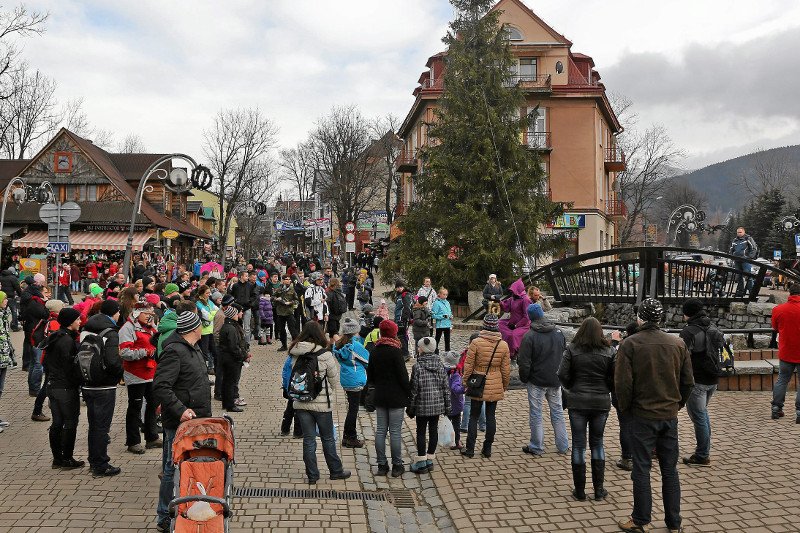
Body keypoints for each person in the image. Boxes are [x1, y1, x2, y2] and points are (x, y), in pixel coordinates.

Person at [615, 298, 694, 533]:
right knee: (670, 470)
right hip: (669, 415)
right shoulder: (677, 344)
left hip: (642, 414)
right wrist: (677, 404)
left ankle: (640, 519)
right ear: (660, 318)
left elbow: (623, 384)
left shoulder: (630, 344)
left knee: (641, 467)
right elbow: (688, 381)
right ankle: (674, 522)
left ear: (640, 318)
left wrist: (626, 409)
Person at [152, 311, 211, 532]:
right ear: (194, 328)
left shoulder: (192, 348)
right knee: (171, 467)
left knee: (191, 465)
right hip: (179, 421)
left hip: (197, 418)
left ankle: (189, 505)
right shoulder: (175, 351)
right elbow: (161, 385)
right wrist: (180, 410)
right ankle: (164, 516)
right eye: (201, 325)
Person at [558, 317, 615, 501]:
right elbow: (615, 377)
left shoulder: (572, 350)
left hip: (578, 401)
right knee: (597, 443)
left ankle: (580, 491)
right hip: (600, 401)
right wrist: (606, 387)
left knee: (579, 445)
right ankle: (599, 490)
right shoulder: (609, 351)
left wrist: (572, 386)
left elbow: (562, 374)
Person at [289, 321, 350, 484]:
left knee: (309, 439)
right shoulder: (325, 354)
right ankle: (336, 471)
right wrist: (327, 390)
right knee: (327, 438)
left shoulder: (295, 351)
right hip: (322, 404)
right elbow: (334, 379)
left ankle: (312, 475)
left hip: (301, 401)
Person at [518, 303, 569, 457]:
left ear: (530, 318)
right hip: (555, 379)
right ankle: (563, 446)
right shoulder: (559, 332)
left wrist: (524, 378)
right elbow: (563, 354)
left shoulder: (529, 336)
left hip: (536, 380)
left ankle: (536, 446)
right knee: (558, 413)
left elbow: (524, 362)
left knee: (536, 413)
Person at [81, 299, 124, 477]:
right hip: (104, 385)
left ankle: (94, 459)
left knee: (93, 425)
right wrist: (120, 373)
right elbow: (114, 361)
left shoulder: (86, 327)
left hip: (87, 381)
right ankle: (100, 464)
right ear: (114, 313)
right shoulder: (111, 333)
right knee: (102, 426)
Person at [678, 298, 722, 466]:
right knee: (702, 415)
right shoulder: (712, 326)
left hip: (697, 380)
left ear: (687, 313)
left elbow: (683, 358)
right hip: (713, 378)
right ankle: (704, 450)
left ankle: (702, 455)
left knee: (699, 417)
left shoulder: (689, 332)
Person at [461, 314, 510, 459]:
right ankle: (487, 448)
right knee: (491, 416)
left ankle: (470, 449)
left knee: (473, 416)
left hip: (478, 381)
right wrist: (504, 385)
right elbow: (506, 369)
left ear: (484, 325)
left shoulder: (476, 343)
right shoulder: (503, 345)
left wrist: (465, 382)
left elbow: (468, 366)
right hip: (495, 382)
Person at [41, 307, 84, 469]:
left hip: (53, 385)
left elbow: (46, 362)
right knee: (69, 423)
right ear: (70, 322)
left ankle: (57, 459)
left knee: (57, 423)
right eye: (78, 319)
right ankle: (67, 458)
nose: (80, 322)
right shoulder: (66, 341)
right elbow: (70, 366)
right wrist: (78, 381)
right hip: (65, 387)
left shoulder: (55, 337)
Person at [367, 319, 411, 477]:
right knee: (395, 432)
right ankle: (397, 466)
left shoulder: (375, 351)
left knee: (380, 431)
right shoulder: (395, 351)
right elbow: (403, 377)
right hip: (396, 397)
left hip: (380, 395)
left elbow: (370, 376)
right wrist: (409, 393)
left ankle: (381, 465)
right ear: (393, 333)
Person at [119, 303, 161, 454]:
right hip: (136, 374)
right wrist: (145, 352)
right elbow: (124, 352)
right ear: (137, 314)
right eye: (146, 313)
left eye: (151, 313)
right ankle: (133, 441)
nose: (150, 316)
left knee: (153, 404)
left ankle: (152, 437)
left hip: (151, 372)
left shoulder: (151, 326)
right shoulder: (127, 328)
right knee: (135, 408)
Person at [408, 337, 450, 473]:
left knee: (420, 432)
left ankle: (421, 463)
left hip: (422, 405)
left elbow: (414, 390)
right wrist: (448, 406)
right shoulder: (440, 366)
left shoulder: (417, 367)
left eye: (419, 347)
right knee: (433, 431)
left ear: (422, 350)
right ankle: (430, 460)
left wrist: (411, 408)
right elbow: (446, 388)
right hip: (437, 405)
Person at [332, 317, 369, 448]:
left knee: (352, 409)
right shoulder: (356, 346)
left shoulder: (338, 345)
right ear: (355, 332)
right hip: (356, 380)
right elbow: (367, 361)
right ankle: (350, 437)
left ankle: (347, 437)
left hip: (346, 378)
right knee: (353, 410)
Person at [770, 282, 800, 423]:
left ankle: (776, 408)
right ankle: (799, 411)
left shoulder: (778, 309)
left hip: (786, 351)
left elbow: (775, 327)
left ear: (790, 293)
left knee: (782, 380)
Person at [218, 304, 250, 412]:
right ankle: (230, 405)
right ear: (232, 315)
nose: (239, 314)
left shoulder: (228, 326)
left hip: (226, 358)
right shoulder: (231, 328)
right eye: (237, 313)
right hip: (231, 359)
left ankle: (226, 403)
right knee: (230, 382)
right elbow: (233, 346)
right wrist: (242, 356)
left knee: (227, 381)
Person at [498, 279, 532, 360]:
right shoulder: (512, 298)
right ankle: (502, 347)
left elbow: (527, 316)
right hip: (511, 322)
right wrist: (499, 302)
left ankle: (512, 353)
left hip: (523, 325)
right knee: (498, 324)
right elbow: (506, 307)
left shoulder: (525, 300)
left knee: (513, 335)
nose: (512, 292)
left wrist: (517, 325)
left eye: (513, 290)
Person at [442, 350, 465, 449]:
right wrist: (464, 388)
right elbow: (455, 389)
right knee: (456, 424)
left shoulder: (443, 371)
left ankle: (446, 439)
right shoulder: (455, 374)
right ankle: (456, 442)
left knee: (447, 423)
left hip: (445, 403)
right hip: (455, 404)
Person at [0, 291, 15, 430]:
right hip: (1, 355)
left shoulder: (3, 315)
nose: (7, 301)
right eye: (4, 299)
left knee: (0, 389)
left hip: (3, 357)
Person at [729, 226, 758, 297]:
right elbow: (731, 249)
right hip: (737, 260)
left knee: (748, 276)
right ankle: (740, 292)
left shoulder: (748, 238)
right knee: (739, 277)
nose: (739, 233)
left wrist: (749, 257)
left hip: (745, 261)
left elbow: (754, 248)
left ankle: (752, 293)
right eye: (738, 232)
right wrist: (731, 256)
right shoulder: (734, 240)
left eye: (740, 232)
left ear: (744, 232)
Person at [195, 284, 218, 374]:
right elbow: (207, 317)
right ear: (202, 293)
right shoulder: (198, 303)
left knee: (215, 351)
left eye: (210, 292)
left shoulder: (209, 301)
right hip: (203, 331)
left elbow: (218, 311)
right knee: (204, 353)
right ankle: (204, 371)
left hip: (211, 330)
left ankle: (216, 368)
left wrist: (212, 313)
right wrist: (213, 313)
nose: (209, 294)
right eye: (207, 293)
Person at [274, 274, 300, 351]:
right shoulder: (279, 289)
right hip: (280, 312)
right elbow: (273, 297)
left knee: (292, 329)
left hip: (289, 312)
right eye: (286, 279)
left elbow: (296, 300)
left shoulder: (292, 289)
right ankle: (284, 345)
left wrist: (290, 303)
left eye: (289, 279)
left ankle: (296, 344)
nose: (288, 280)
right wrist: (276, 299)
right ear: (283, 280)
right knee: (281, 330)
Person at [230, 271, 256, 342]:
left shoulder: (250, 285)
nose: (247, 277)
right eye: (246, 276)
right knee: (238, 326)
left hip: (247, 308)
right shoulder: (235, 286)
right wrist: (235, 302)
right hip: (237, 308)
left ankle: (247, 344)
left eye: (247, 276)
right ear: (241, 276)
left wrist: (249, 301)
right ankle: (239, 342)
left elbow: (254, 295)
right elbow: (232, 295)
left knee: (247, 328)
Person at [394, 281, 413, 360]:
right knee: (401, 335)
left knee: (402, 336)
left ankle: (405, 354)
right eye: (398, 287)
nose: (399, 288)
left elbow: (407, 308)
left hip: (402, 319)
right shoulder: (399, 295)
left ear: (403, 287)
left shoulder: (405, 295)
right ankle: (404, 352)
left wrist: (404, 319)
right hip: (398, 318)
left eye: (401, 287)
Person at [431, 288, 453, 353]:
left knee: (447, 340)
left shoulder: (447, 302)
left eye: (446, 294)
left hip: (447, 324)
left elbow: (449, 312)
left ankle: (448, 352)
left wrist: (451, 316)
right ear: (439, 294)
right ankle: (434, 351)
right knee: (437, 339)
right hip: (440, 325)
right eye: (444, 294)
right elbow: (433, 315)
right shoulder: (436, 303)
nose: (445, 296)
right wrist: (442, 316)